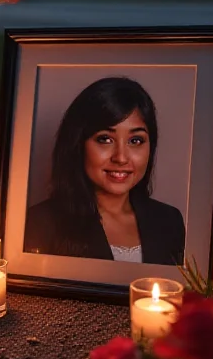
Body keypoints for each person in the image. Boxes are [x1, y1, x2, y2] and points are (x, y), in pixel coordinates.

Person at [24, 77, 185, 265]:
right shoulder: (39, 224)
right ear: (78, 144)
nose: (121, 157)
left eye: (135, 141)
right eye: (105, 139)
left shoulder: (169, 221)